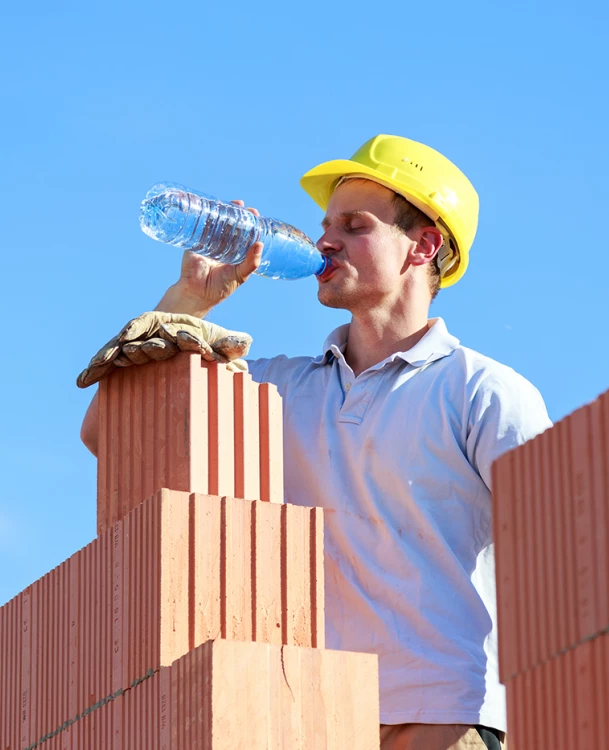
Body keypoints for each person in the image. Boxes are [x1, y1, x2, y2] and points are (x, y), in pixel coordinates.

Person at [81, 134, 552, 749]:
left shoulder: (482, 390)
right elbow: (108, 435)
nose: (324, 241)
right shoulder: (276, 387)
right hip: (313, 721)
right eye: (325, 225)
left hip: (445, 718)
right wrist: (189, 303)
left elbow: (557, 549)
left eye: (355, 226)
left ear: (425, 246)